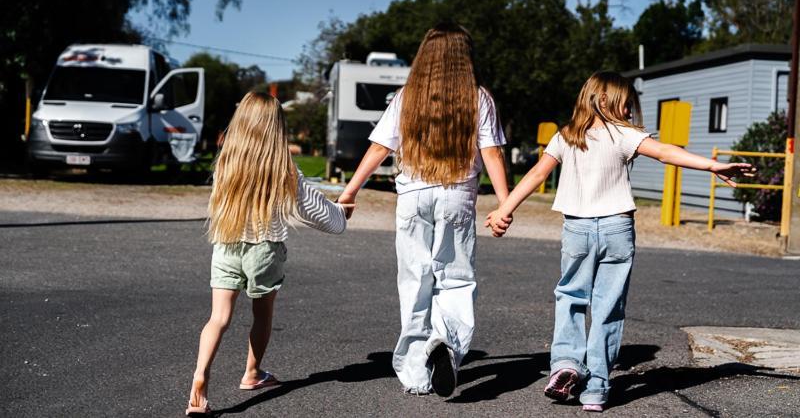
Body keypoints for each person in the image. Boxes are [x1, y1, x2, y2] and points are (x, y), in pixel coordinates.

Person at [485, 71, 754, 412]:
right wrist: (713, 165)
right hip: (617, 230)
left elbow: (537, 174)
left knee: (570, 296)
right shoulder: (626, 135)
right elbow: (666, 153)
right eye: (627, 105)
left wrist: (503, 210)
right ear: (605, 101)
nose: (630, 113)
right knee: (608, 307)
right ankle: (596, 387)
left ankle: (566, 364)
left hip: (578, 230)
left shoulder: (566, 136)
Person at [337, 23, 509, 397]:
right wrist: (504, 204)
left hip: (413, 197)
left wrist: (349, 193)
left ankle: (416, 373)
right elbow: (492, 153)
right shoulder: (478, 98)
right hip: (457, 195)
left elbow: (379, 148)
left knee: (415, 280)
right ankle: (446, 340)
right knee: (456, 278)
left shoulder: (405, 97)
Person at [186, 92, 350, 416]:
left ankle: (199, 381)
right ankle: (252, 373)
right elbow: (315, 211)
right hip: (265, 247)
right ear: (276, 126)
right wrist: (341, 215)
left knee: (217, 318)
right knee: (262, 315)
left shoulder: (227, 160)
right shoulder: (283, 166)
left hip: (227, 243)